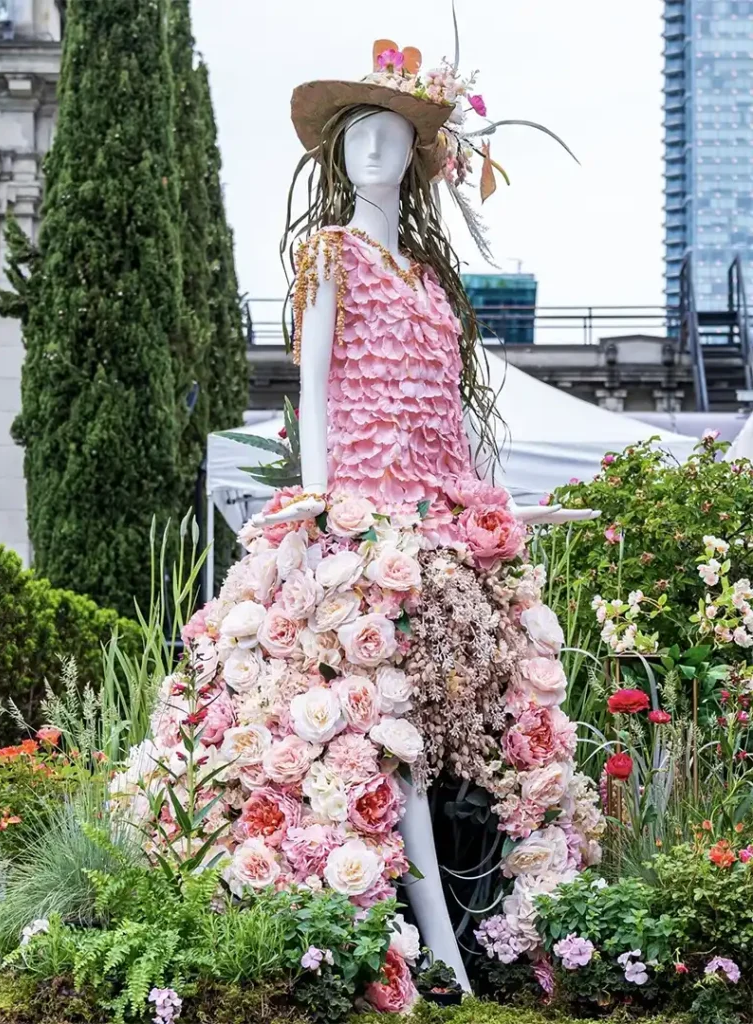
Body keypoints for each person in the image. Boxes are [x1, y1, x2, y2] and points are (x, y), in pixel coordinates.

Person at [165, 38, 602, 994]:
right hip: (363, 515)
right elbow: (312, 389)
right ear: (338, 154)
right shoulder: (328, 253)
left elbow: (443, 409)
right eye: (357, 134)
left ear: (416, 155)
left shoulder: (429, 284)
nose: (371, 150)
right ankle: (437, 950)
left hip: (444, 512)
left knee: (498, 716)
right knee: (376, 720)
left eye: (389, 134)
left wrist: (492, 498)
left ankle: (523, 930)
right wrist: (325, 505)